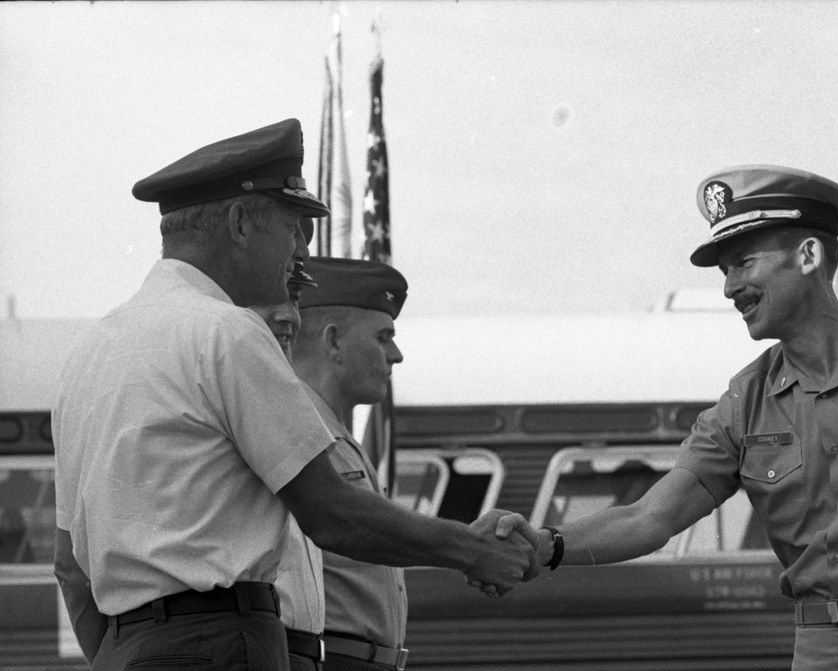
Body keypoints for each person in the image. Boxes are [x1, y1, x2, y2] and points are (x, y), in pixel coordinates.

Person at [52, 118, 538, 671]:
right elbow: (333, 514)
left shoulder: (89, 354)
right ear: (239, 223)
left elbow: (70, 565)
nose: (299, 250)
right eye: (293, 227)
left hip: (122, 650)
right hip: (224, 646)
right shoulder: (227, 333)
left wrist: (134, 653)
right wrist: (472, 550)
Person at [495, 165, 838, 670]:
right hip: (820, 649)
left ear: (808, 256)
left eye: (743, 263)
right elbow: (650, 517)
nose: (730, 288)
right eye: (725, 272)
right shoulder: (745, 401)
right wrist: (546, 546)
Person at [289, 256, 411, 671]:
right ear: (334, 341)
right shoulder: (295, 431)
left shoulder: (333, 433)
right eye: (382, 337)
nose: (396, 355)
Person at [250, 262, 327, 671]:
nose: (288, 315)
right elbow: (337, 517)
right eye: (269, 299)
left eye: (295, 297)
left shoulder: (293, 405)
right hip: (269, 647)